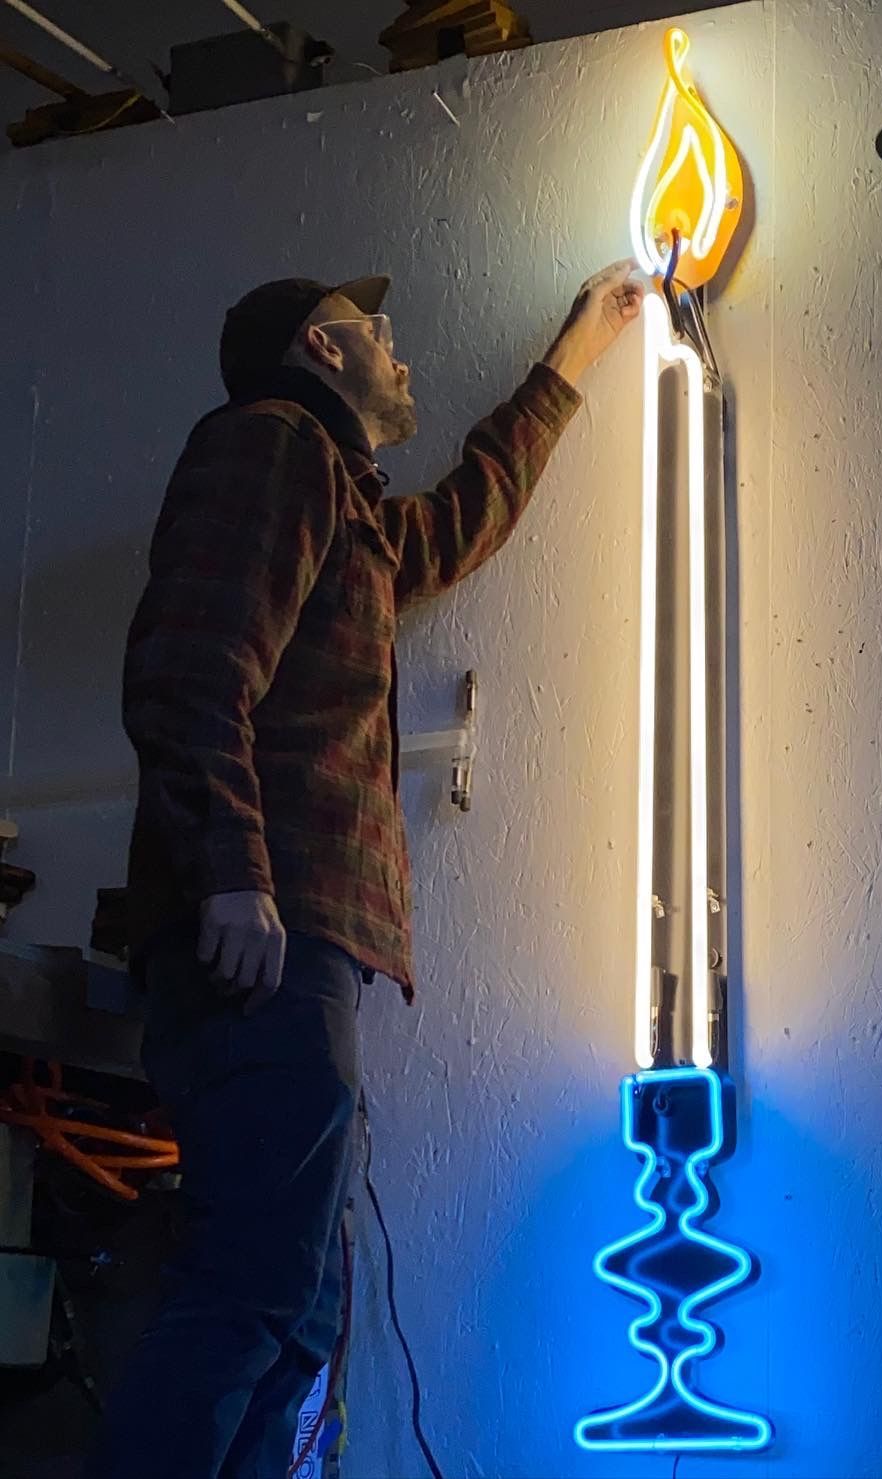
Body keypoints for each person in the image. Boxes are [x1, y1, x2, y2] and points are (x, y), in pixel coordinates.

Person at [91, 261, 642, 1479]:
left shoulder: (340, 496)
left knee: (300, 1314)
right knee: (255, 1294)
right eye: (366, 324)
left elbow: (451, 526)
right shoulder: (271, 443)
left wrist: (573, 359)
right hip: (263, 937)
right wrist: (238, 870)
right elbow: (187, 669)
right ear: (316, 351)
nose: (395, 339)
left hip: (300, 942)